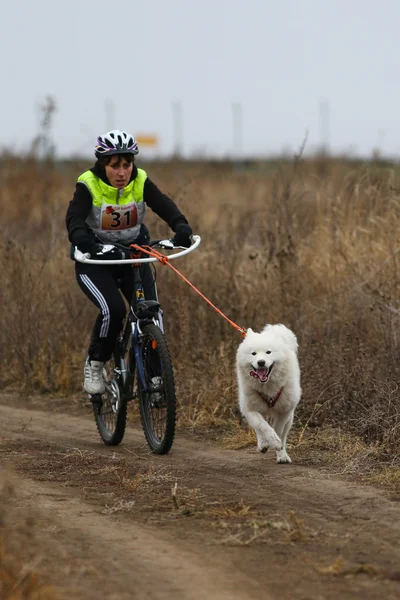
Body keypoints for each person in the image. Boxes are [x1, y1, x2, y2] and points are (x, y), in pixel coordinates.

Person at [66, 129, 192, 396]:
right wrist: (83, 239)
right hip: (95, 261)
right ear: (103, 165)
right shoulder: (88, 183)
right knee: (114, 310)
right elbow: (74, 218)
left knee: (151, 313)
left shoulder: (140, 180)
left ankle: (156, 378)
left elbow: (163, 204)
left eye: (127, 164)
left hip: (132, 255)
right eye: (115, 166)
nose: (122, 172)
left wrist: (180, 226)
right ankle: (96, 363)